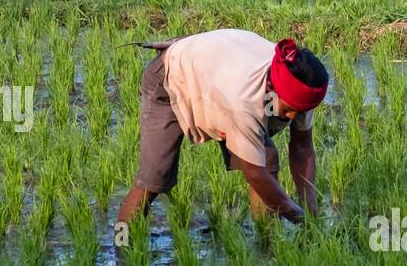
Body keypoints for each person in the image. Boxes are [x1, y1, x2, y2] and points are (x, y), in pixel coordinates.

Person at [116, 29, 328, 227]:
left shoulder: (301, 87)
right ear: (272, 88)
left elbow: (301, 147)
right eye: (290, 109)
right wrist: (297, 216)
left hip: (218, 77)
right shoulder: (244, 103)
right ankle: (121, 247)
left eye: (300, 111)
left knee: (266, 157)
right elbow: (255, 174)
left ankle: (267, 245)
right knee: (152, 181)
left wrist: (309, 206)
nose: (293, 117)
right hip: (173, 78)